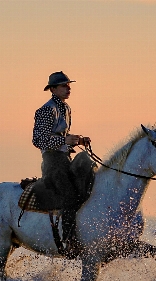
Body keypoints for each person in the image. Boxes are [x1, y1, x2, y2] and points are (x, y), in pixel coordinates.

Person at [32, 71, 91, 256]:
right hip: (52, 163)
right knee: (70, 196)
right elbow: (38, 140)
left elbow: (62, 137)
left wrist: (78, 140)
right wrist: (64, 141)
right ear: (53, 89)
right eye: (64, 85)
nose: (68, 88)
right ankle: (69, 242)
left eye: (68, 85)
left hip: (65, 159)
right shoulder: (45, 110)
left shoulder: (66, 108)